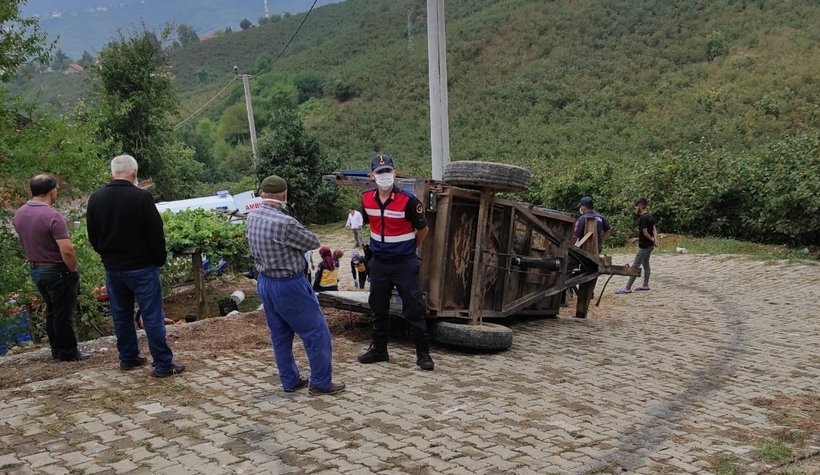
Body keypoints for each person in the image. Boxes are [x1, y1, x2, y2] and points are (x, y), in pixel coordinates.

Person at [86, 155, 184, 377]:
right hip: (142, 266)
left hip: (113, 267)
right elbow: (155, 234)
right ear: (134, 173)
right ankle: (163, 363)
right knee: (152, 315)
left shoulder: (96, 199)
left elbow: (93, 235)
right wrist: (159, 259)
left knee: (121, 315)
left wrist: (106, 254)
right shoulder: (141, 197)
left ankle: (128, 357)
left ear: (112, 173)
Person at [247, 175, 345, 396]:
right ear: (284, 194)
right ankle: (320, 383)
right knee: (316, 332)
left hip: (265, 282)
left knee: (280, 335)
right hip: (289, 284)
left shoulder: (252, 217)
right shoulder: (285, 223)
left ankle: (289, 380)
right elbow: (312, 242)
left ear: (262, 193)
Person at [358, 153, 434, 371]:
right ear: (372, 175)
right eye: (380, 172)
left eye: (388, 171)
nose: (384, 175)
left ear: (395, 172)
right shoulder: (366, 198)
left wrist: (408, 248)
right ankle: (379, 350)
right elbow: (368, 222)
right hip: (379, 262)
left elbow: (423, 230)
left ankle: (423, 355)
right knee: (378, 307)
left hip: (404, 263)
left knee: (414, 308)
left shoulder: (409, 201)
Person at [11, 174, 88, 362]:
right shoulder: (52, 216)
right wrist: (73, 269)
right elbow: (66, 249)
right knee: (63, 313)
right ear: (52, 191)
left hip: (36, 268)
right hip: (56, 269)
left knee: (52, 310)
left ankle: (56, 349)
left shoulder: (20, 214)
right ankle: (68, 351)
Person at [617, 197, 659, 294]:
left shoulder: (643, 218)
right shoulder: (650, 216)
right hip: (650, 246)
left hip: (644, 246)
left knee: (635, 266)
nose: (635, 209)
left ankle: (627, 287)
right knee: (646, 264)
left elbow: (645, 232)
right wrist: (655, 240)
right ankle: (645, 284)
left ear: (640, 206)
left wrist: (652, 239)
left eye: (636, 207)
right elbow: (654, 229)